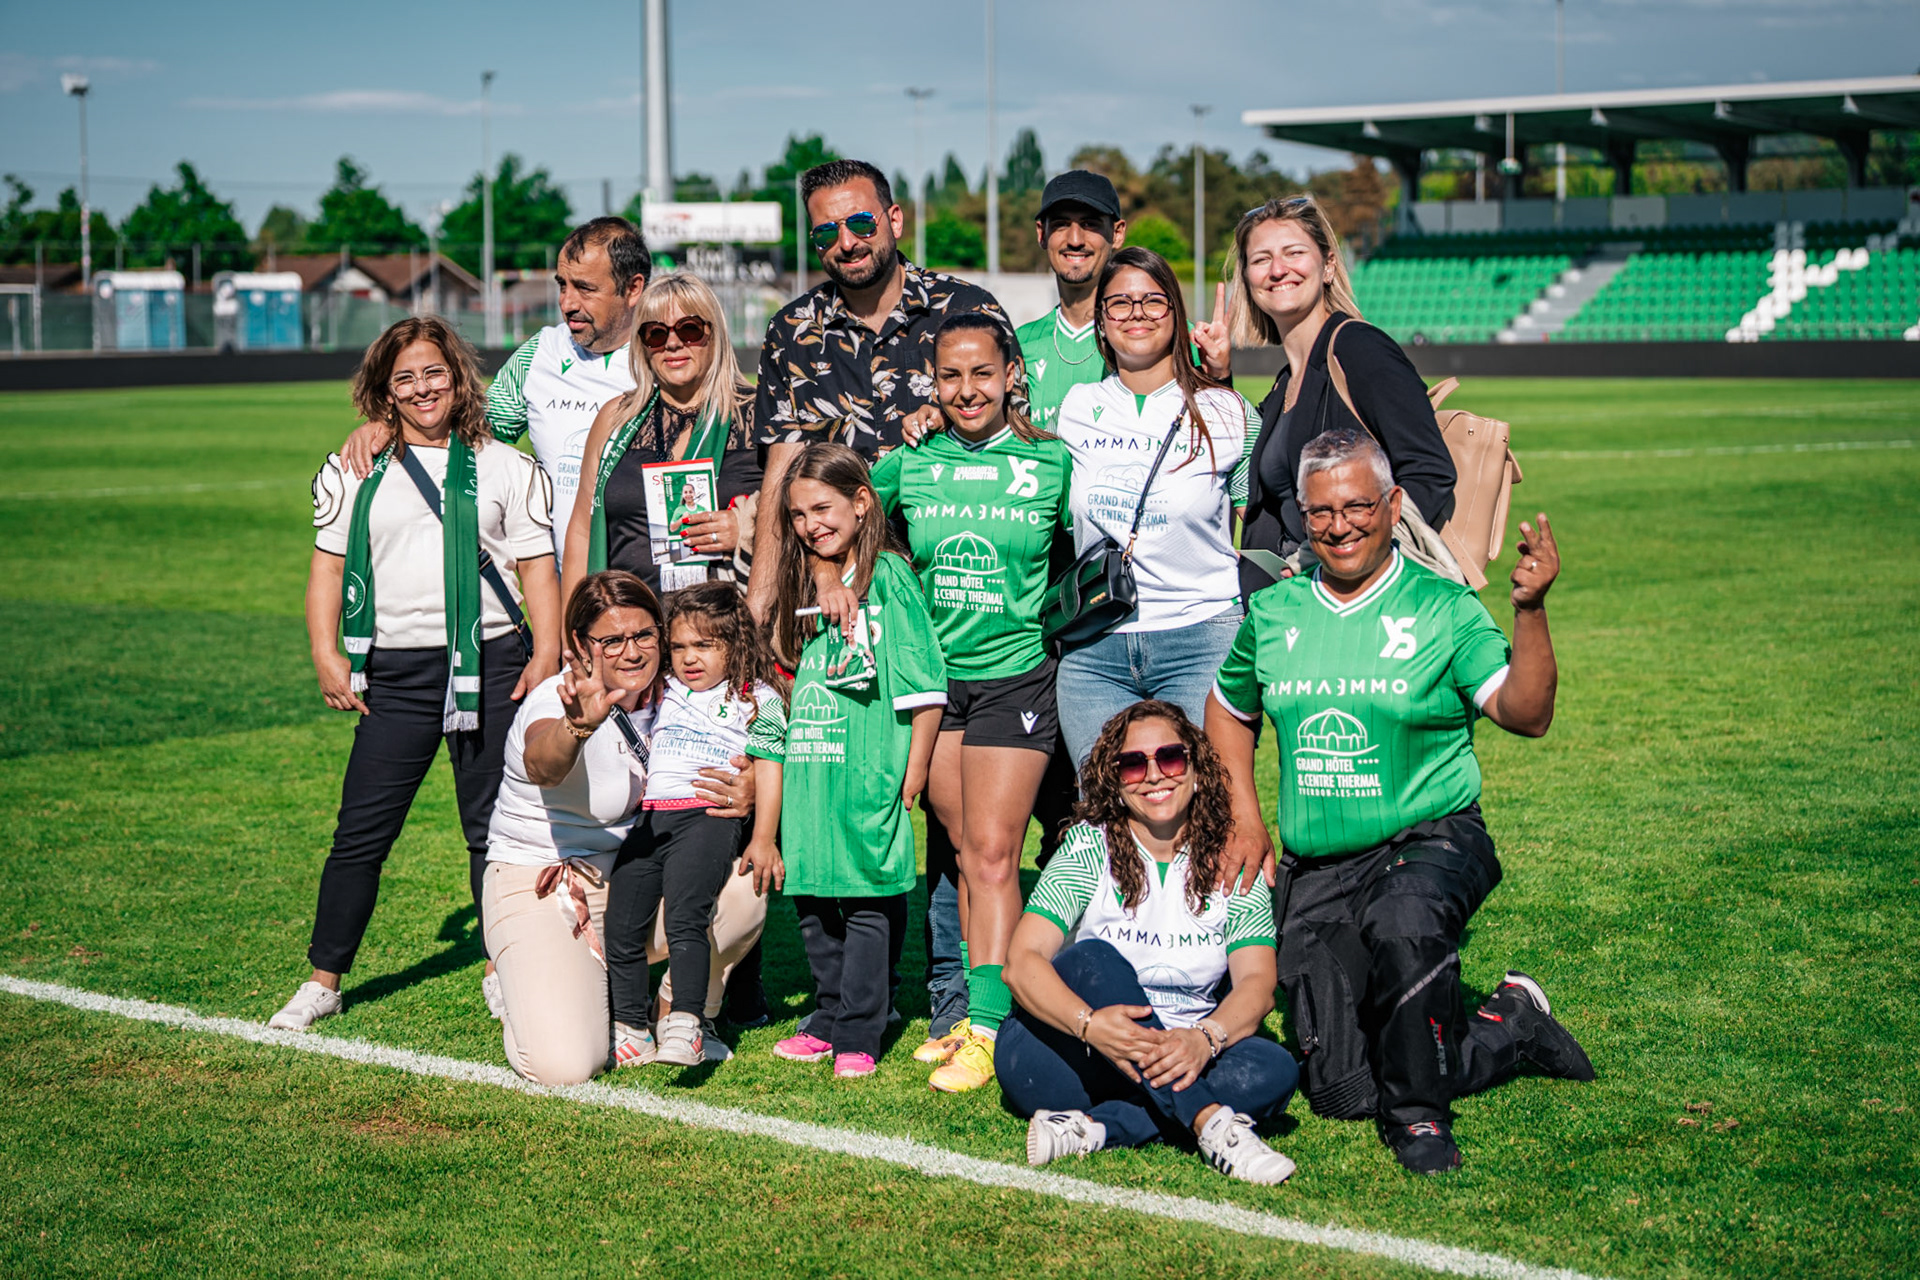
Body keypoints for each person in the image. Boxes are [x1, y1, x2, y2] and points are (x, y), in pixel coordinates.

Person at [1205, 426, 1594, 1176]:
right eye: (1321, 512)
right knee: (1343, 1089)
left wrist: (1531, 611)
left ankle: (1420, 1120)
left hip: (1432, 837)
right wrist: (1245, 816)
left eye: (1357, 506)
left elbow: (1526, 713)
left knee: (1402, 921)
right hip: (1320, 866)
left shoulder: (1444, 608)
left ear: (1393, 505)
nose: (1339, 525)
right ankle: (1511, 1026)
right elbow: (1227, 709)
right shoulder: (1277, 613)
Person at [750, 156, 1015, 1041]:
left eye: (861, 223)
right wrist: (779, 597)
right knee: (875, 792)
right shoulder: (794, 330)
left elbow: (1015, 436)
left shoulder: (965, 310)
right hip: (845, 606)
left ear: (895, 220)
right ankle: (887, 996)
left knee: (960, 816)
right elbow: (782, 476)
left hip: (967, 601)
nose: (846, 242)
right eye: (826, 230)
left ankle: (965, 988)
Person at [272, 316, 560, 1031]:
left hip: (492, 664)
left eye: (434, 372)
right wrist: (325, 652)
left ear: (458, 378)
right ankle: (323, 980)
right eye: (405, 377)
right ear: (385, 390)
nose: (422, 388)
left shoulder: (506, 465)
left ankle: (501, 967)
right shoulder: (355, 466)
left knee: (492, 833)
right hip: (395, 673)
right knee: (361, 833)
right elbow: (327, 567)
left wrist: (546, 655)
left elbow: (537, 570)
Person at [863, 312, 1070, 1092]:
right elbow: (839, 516)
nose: (967, 389)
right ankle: (981, 1010)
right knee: (959, 850)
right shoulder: (912, 462)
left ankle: (987, 1027)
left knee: (990, 854)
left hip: (1017, 677)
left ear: (1012, 375)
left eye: (982, 373)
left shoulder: (1052, 463)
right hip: (934, 686)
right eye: (950, 376)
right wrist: (831, 580)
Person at [1000, 701, 1299, 1185]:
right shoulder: (1089, 846)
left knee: (1274, 1067)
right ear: (1115, 781)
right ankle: (1210, 1122)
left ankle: (1099, 1127)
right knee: (1094, 957)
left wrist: (1204, 1039)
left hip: (1188, 1049)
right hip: (1073, 1053)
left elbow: (1258, 983)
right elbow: (1021, 962)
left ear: (1197, 770)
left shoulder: (1233, 858)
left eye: (1171, 758)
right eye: (1133, 764)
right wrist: (1090, 1025)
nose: (1155, 775)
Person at [483, 571, 755, 1084]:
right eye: (611, 640)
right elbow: (543, 764)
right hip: (540, 883)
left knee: (746, 888)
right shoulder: (558, 699)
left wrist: (754, 781)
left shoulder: (681, 693)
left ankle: (675, 1013)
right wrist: (577, 727)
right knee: (565, 1066)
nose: (631, 652)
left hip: (629, 878)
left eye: (644, 635)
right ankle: (514, 976)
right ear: (580, 644)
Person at [762, 443, 948, 1079]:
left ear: (863, 501)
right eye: (797, 514)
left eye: (823, 508)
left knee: (868, 892)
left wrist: (914, 769)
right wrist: (820, 574)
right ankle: (829, 1011)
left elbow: (926, 684)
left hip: (870, 764)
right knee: (813, 895)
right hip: (810, 767)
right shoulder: (807, 575)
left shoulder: (889, 576)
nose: (810, 524)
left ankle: (861, 1027)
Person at [341, 217, 653, 571]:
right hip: (570, 585)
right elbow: (471, 426)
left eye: (585, 288)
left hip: (655, 584)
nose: (567, 302)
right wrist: (387, 423)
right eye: (562, 285)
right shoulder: (541, 354)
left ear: (633, 289)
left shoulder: (668, 356)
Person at [1052, 246, 1256, 768]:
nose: (1136, 313)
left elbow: (1261, 521)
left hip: (1201, 638)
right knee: (1102, 802)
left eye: (1153, 300)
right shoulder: (1076, 408)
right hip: (1095, 645)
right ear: (1101, 321)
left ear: (1176, 313)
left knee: (1203, 800)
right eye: (1120, 303)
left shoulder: (1228, 409)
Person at [1198, 195, 1455, 596]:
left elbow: (1429, 471)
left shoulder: (1359, 349)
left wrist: (1346, 562)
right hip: (1301, 603)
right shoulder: (1285, 383)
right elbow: (1245, 466)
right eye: (1261, 259)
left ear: (1329, 265)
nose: (1278, 269)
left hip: (1362, 600)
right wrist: (1219, 377)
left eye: (1294, 253)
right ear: (1247, 279)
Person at [605, 582, 786, 1068]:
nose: (689, 658)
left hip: (707, 819)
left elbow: (770, 770)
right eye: (680, 646)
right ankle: (630, 1028)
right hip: (650, 820)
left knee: (687, 917)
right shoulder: (663, 688)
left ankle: (686, 1023)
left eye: (704, 645)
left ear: (735, 644)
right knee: (621, 924)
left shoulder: (757, 697)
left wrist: (764, 838)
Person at [564, 271, 763, 603]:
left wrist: (747, 530)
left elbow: (801, 511)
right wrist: (573, 623)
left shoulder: (758, 416)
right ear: (643, 345)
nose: (672, 343)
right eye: (656, 334)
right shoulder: (616, 419)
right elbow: (582, 533)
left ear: (714, 334)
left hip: (727, 624)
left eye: (689, 329)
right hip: (629, 626)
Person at [1014, 170, 1127, 430]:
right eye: (1061, 224)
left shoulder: (1162, 336)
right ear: (1042, 233)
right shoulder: (1017, 345)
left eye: (1090, 224)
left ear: (1117, 233)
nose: (1075, 240)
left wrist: (1219, 373)